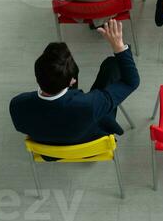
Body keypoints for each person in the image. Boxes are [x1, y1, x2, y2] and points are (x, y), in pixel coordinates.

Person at [9, 19, 139, 146]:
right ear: (72, 81)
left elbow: (22, 127)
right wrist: (119, 47)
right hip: (90, 144)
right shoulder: (91, 105)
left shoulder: (17, 105)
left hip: (50, 151)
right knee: (112, 65)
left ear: (37, 77)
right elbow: (131, 82)